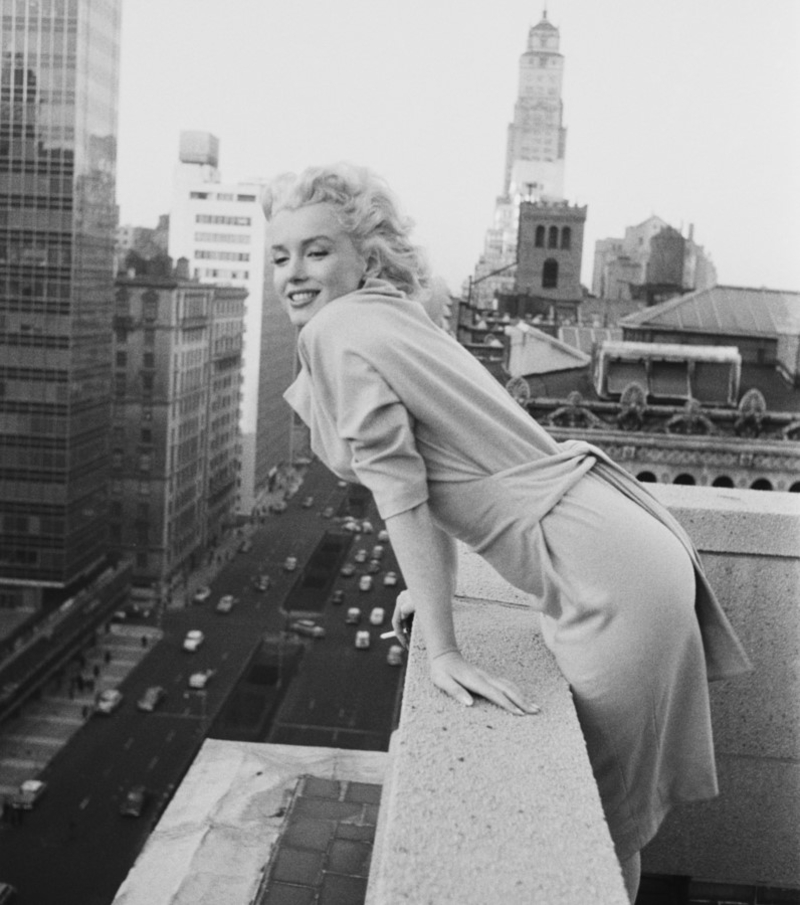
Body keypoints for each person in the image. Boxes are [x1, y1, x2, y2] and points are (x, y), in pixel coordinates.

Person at [263, 163, 751, 902]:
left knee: (597, 831)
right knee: (611, 827)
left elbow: (402, 498)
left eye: (316, 250)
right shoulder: (393, 309)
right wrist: (432, 601)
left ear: (365, 255)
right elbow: (433, 485)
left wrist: (446, 650)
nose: (293, 273)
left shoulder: (337, 329)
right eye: (279, 256)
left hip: (602, 571)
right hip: (619, 536)